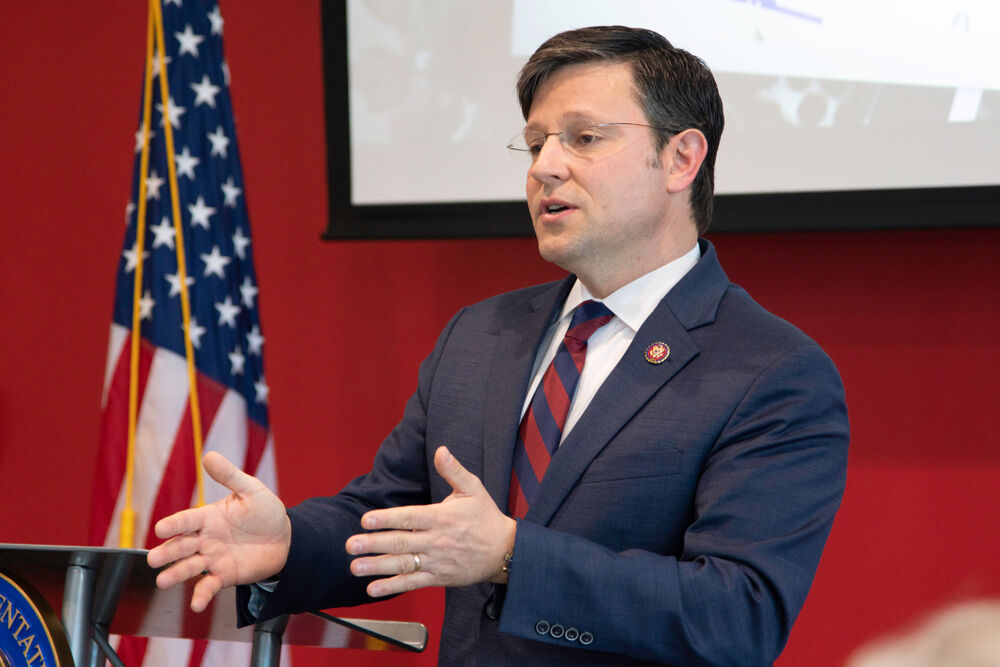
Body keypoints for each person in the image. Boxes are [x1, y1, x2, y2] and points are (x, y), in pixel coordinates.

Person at [148, 25, 849, 666]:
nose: (545, 166)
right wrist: (290, 543)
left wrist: (514, 555)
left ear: (680, 158)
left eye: (583, 137)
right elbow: (390, 515)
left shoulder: (771, 373)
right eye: (536, 140)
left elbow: (738, 617)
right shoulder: (480, 337)